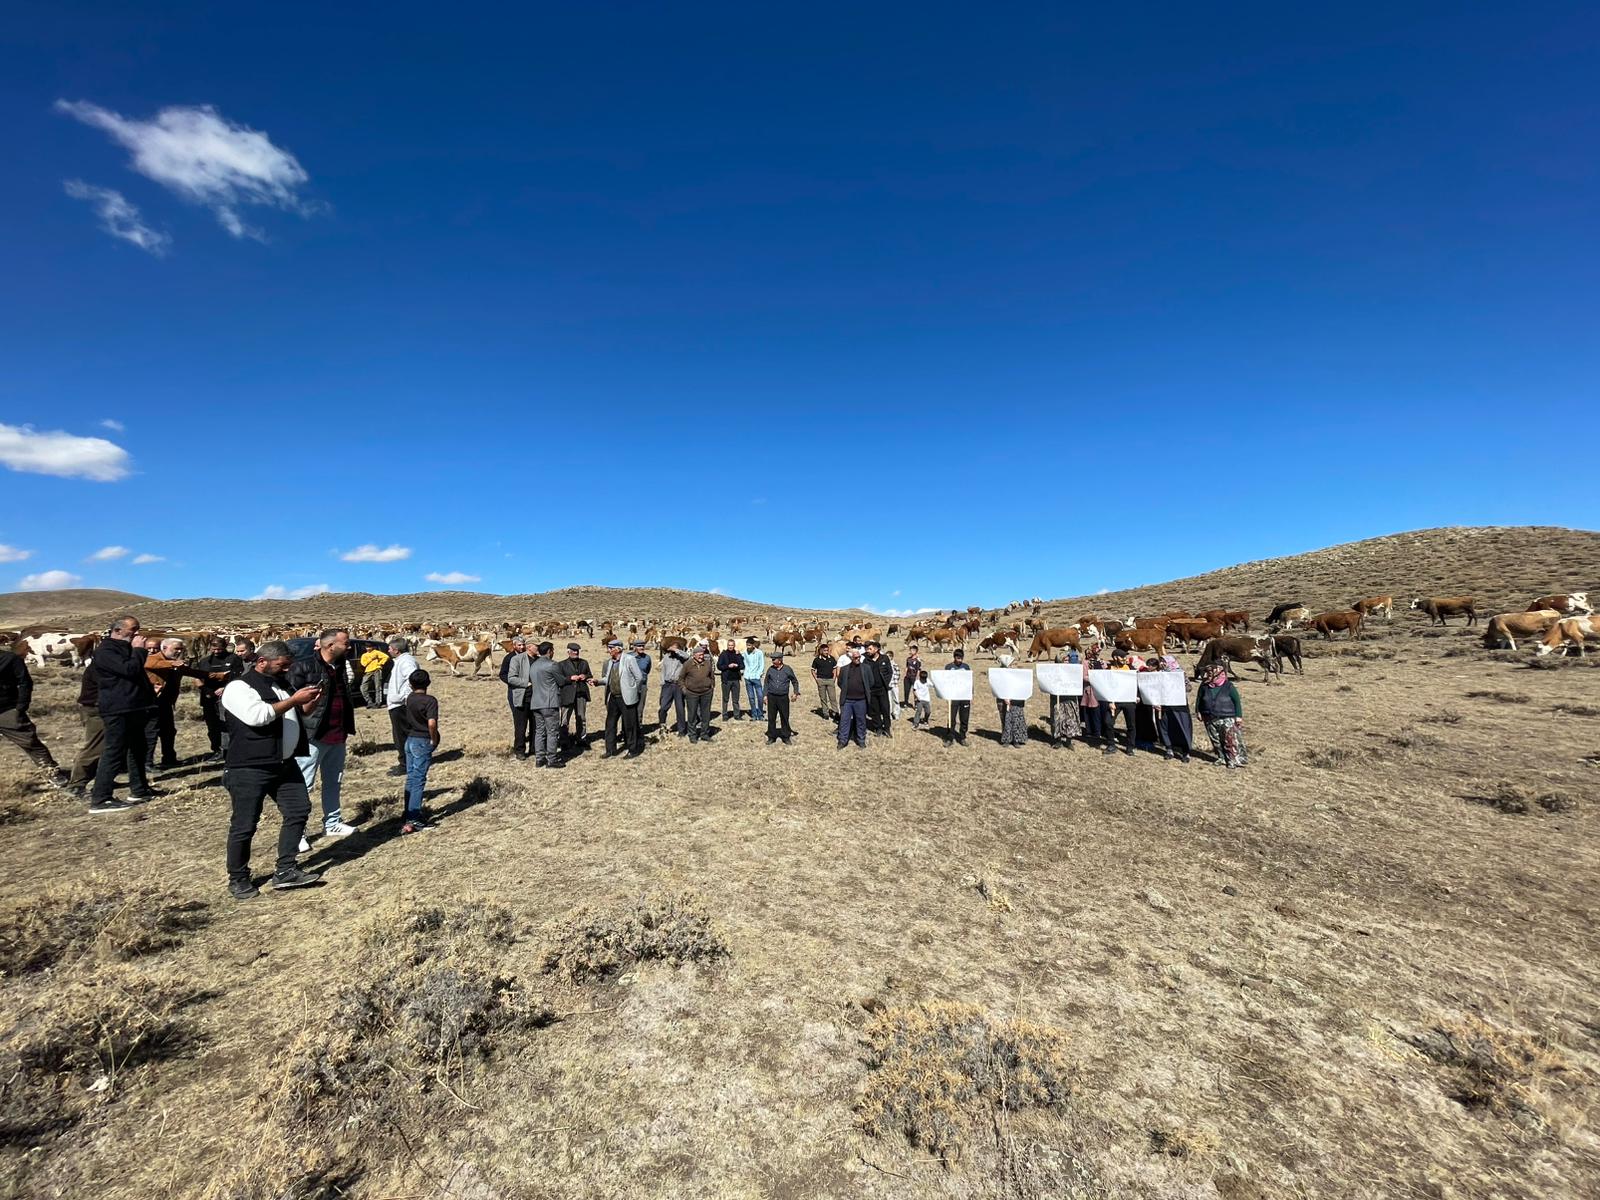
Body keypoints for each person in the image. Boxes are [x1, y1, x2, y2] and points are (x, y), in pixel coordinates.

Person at [220, 640, 324, 898]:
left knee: (299, 810)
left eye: (288, 665)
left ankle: (286, 869)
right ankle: (238, 878)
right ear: (262, 661)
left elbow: (299, 714)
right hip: (250, 767)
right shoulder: (239, 687)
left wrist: (308, 701)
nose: (286, 670)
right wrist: (294, 700)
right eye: (282, 665)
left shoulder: (281, 684)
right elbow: (258, 716)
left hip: (284, 764)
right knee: (245, 824)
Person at [290, 630, 362, 841]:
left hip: (337, 734)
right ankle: (298, 832)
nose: (349, 647)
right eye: (346, 643)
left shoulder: (340, 666)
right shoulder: (303, 666)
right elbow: (292, 700)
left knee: (334, 781)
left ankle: (332, 823)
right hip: (313, 735)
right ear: (331, 646)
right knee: (304, 784)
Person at [88, 616, 159, 813]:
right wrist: (138, 650)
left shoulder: (122, 648)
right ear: (118, 630)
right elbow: (129, 669)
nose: (137, 633)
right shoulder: (106, 650)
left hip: (134, 706)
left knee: (138, 748)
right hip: (118, 708)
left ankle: (139, 789)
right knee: (114, 751)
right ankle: (101, 798)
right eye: (133, 629)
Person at [0, 644, 70, 790]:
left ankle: (52, 773)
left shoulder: (9, 659)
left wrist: (20, 707)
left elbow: (25, 682)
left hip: (6, 711)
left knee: (30, 742)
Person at [143, 637, 204, 771]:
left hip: (166, 703)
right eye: (176, 649)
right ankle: (147, 762)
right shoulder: (152, 659)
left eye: (181, 649)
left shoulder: (176, 664)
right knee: (151, 732)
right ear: (164, 648)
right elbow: (149, 664)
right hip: (151, 703)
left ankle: (169, 758)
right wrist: (172, 664)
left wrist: (217, 675)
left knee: (169, 732)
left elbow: (193, 672)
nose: (179, 652)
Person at [400, 668, 440, 831]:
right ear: (428, 683)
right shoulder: (430, 701)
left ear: (410, 684)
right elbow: (431, 723)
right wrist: (434, 738)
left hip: (409, 740)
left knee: (411, 777)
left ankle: (408, 813)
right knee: (419, 779)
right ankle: (414, 818)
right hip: (422, 741)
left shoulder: (410, 698)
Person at [193, 637, 244, 760]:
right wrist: (205, 690)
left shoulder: (234, 659)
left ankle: (227, 750)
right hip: (208, 697)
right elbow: (197, 677)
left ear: (225, 646)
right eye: (213, 649)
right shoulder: (205, 661)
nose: (216, 652)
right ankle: (216, 749)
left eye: (219, 649)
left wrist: (225, 688)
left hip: (226, 696)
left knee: (225, 724)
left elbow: (239, 677)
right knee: (212, 725)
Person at [1195, 660, 1247, 768]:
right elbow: (1199, 699)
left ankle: (1232, 760)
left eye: (1210, 673)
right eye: (1207, 672)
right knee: (1216, 740)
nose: (1207, 675)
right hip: (1209, 716)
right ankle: (1221, 758)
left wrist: (1238, 716)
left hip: (1227, 717)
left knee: (1229, 740)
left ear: (1218, 672)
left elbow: (1237, 701)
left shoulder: (1228, 686)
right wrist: (1198, 711)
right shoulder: (1204, 686)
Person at [598, 639, 645, 757]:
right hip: (613, 697)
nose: (608, 650)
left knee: (630, 725)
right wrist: (597, 681)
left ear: (618, 649)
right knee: (610, 724)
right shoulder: (610, 662)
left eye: (610, 648)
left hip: (626, 697)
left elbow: (639, 678)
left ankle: (632, 750)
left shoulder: (629, 660)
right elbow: (607, 679)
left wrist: (632, 690)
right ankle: (610, 750)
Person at [384, 636, 420, 777]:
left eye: (390, 648)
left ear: (396, 650)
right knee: (400, 733)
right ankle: (406, 761)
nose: (388, 650)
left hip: (401, 704)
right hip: (398, 703)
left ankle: (405, 764)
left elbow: (413, 678)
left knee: (401, 735)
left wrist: (403, 697)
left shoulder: (406, 662)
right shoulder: (401, 661)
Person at [529, 641, 565, 768]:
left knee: (539, 731)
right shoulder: (552, 665)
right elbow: (561, 681)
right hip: (549, 702)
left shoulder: (533, 665)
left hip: (536, 702)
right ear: (549, 651)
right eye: (553, 650)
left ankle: (539, 758)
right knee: (552, 731)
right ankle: (552, 759)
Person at [557, 642, 592, 751]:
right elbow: (559, 680)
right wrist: (570, 678)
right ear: (568, 652)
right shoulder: (561, 664)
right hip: (567, 695)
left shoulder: (584, 663)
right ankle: (563, 741)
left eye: (577, 651)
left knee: (581, 718)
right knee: (564, 719)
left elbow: (589, 675)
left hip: (581, 693)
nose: (576, 653)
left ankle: (581, 739)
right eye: (573, 651)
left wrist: (584, 676)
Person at [503, 638, 535, 758]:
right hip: (516, 692)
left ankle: (534, 748)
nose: (521, 647)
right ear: (514, 645)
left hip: (532, 694)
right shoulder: (510, 658)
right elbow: (505, 675)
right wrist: (519, 684)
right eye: (519, 645)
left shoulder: (532, 659)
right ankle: (520, 750)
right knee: (520, 724)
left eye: (523, 645)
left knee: (535, 723)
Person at [834, 645, 871, 749]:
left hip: (861, 700)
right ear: (851, 658)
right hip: (847, 700)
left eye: (859, 657)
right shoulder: (845, 669)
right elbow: (840, 682)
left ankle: (861, 740)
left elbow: (870, 682)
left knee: (861, 720)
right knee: (844, 721)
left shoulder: (866, 668)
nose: (858, 659)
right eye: (855, 657)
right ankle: (842, 740)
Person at [680, 643, 717, 743]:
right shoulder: (688, 664)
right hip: (692, 693)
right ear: (694, 655)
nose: (702, 657)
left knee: (706, 714)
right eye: (699, 655)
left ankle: (704, 734)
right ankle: (692, 735)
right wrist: (684, 689)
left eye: (702, 654)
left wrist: (711, 686)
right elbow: (681, 678)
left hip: (706, 693)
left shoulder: (707, 663)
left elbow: (712, 676)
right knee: (692, 715)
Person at [763, 650, 801, 745]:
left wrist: (795, 692)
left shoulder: (788, 669)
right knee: (771, 717)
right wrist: (765, 695)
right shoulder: (770, 669)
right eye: (772, 659)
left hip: (783, 698)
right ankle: (771, 737)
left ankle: (786, 736)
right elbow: (766, 682)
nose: (772, 661)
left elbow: (795, 681)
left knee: (784, 717)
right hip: (772, 697)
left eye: (774, 659)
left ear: (780, 660)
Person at [1102, 653, 1136, 757]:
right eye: (1122, 657)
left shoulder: (1130, 668)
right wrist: (1109, 701)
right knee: (1108, 722)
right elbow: (1105, 685)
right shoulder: (1109, 669)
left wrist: (1137, 695)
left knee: (1131, 725)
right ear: (1115, 657)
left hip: (1128, 700)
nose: (1125, 659)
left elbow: (1136, 682)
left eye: (1125, 657)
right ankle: (1111, 744)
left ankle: (1130, 747)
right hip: (1115, 701)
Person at [1048, 649, 1082, 750]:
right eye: (1064, 660)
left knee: (1070, 719)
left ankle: (1069, 740)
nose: (1067, 661)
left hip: (1070, 698)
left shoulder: (1074, 670)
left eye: (1068, 659)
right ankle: (1058, 740)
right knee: (1058, 718)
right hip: (1058, 698)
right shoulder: (1054, 671)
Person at [656, 641, 689, 737]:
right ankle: (662, 727)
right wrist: (662, 683)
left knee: (680, 708)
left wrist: (677, 650)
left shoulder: (682, 658)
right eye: (671, 647)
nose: (672, 649)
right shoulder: (666, 657)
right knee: (663, 707)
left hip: (678, 684)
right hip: (667, 685)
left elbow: (687, 656)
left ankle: (682, 730)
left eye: (675, 648)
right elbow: (663, 670)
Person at [863, 642, 893, 737]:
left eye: (870, 649)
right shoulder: (866, 661)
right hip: (872, 690)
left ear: (876, 649)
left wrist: (886, 683)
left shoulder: (884, 658)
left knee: (885, 709)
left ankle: (887, 728)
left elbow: (889, 672)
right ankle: (878, 727)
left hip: (882, 689)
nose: (868, 651)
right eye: (867, 649)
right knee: (874, 710)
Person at [945, 648, 972, 745]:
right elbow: (945, 681)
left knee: (964, 718)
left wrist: (970, 693)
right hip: (953, 696)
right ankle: (950, 737)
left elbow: (969, 681)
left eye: (961, 658)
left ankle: (962, 736)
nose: (959, 660)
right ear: (954, 657)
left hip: (964, 696)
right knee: (951, 718)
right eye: (957, 658)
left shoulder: (966, 667)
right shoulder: (949, 667)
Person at [717, 640, 744, 720]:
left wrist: (737, 665)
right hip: (726, 679)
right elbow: (719, 666)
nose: (730, 646)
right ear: (727, 645)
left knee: (736, 699)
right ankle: (725, 715)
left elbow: (742, 666)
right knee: (725, 698)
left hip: (736, 679)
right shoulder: (723, 654)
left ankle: (737, 715)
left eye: (732, 645)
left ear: (734, 645)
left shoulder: (737, 654)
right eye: (729, 645)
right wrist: (728, 666)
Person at [811, 644, 838, 720]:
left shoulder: (832, 659)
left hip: (830, 680)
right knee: (823, 698)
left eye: (827, 650)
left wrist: (834, 678)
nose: (826, 652)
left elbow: (834, 669)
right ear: (821, 651)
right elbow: (812, 670)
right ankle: (825, 713)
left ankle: (836, 713)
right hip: (821, 680)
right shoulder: (817, 660)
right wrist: (816, 679)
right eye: (825, 650)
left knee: (833, 697)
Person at [742, 638, 766, 721]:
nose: (748, 647)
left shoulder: (759, 653)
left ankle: (760, 714)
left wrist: (759, 674)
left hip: (756, 677)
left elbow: (761, 664)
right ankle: (754, 714)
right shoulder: (744, 653)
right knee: (751, 697)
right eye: (747, 645)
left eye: (749, 645)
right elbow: (741, 660)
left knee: (760, 696)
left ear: (753, 645)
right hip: (747, 677)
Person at [359, 643, 390, 708]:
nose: (368, 648)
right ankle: (369, 701)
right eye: (367, 647)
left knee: (377, 687)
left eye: (370, 647)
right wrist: (371, 659)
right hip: (368, 671)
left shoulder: (376, 652)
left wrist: (380, 663)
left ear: (372, 647)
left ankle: (378, 702)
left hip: (376, 670)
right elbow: (363, 664)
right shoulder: (364, 655)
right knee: (363, 687)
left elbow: (386, 657)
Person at [632, 640, 653, 731]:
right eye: (639, 646)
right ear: (634, 647)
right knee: (629, 709)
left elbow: (647, 670)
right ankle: (627, 730)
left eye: (643, 646)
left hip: (642, 686)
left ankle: (638, 728)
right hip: (631, 686)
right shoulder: (628, 657)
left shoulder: (647, 658)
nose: (641, 648)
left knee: (640, 708)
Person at [902, 645, 923, 709]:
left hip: (914, 677)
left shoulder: (918, 660)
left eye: (913, 650)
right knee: (906, 691)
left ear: (916, 651)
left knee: (915, 691)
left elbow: (919, 669)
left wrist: (917, 677)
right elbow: (907, 667)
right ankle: (906, 703)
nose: (911, 651)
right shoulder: (908, 659)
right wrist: (905, 674)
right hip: (907, 677)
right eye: (911, 650)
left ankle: (916, 704)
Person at [886, 651, 902, 722]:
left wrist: (895, 682)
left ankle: (896, 713)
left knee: (896, 699)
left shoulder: (895, 665)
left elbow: (898, 674)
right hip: (888, 685)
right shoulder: (885, 665)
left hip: (894, 685)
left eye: (888, 656)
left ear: (891, 657)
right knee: (888, 701)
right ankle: (889, 714)